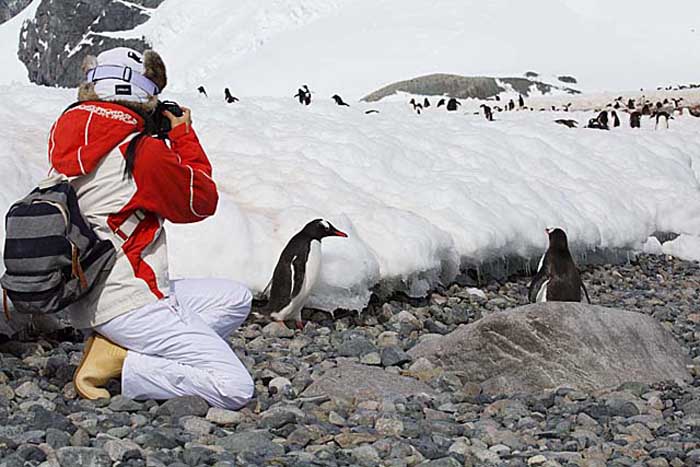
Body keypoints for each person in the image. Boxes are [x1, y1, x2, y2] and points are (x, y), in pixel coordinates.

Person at [49, 47, 254, 409]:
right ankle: (124, 362)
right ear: (141, 94)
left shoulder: (69, 132)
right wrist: (182, 136)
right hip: (131, 301)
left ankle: (115, 344)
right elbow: (200, 201)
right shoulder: (139, 150)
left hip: (89, 290)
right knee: (234, 387)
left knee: (234, 298)